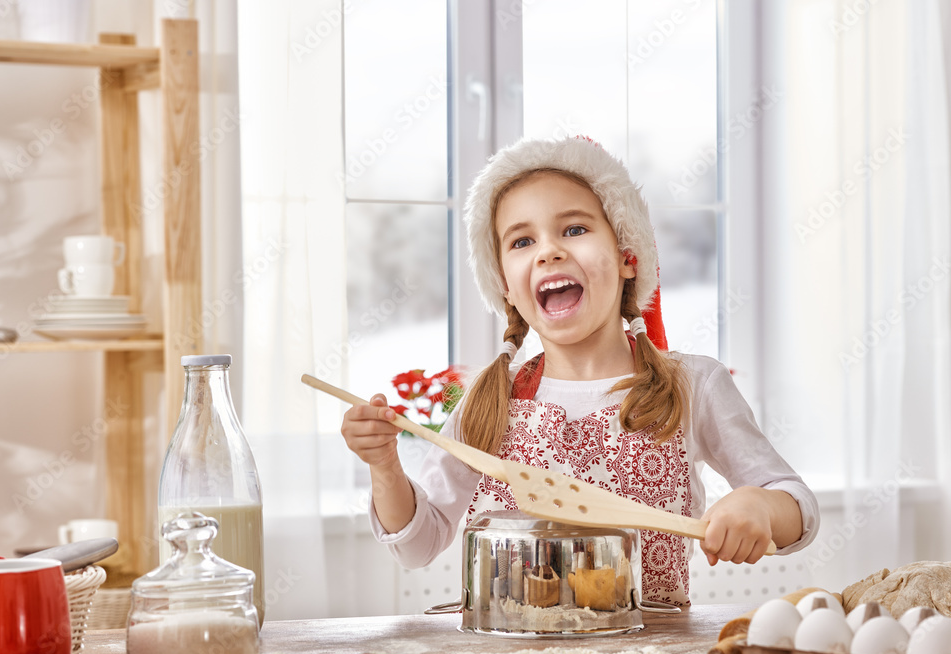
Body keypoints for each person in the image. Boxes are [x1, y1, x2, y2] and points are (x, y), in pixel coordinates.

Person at [341, 136, 819, 606]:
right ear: (506, 286)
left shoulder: (694, 386)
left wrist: (759, 504)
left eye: (574, 230)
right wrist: (384, 466)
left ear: (627, 258)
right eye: (522, 240)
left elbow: (796, 503)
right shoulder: (493, 400)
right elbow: (419, 543)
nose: (548, 251)